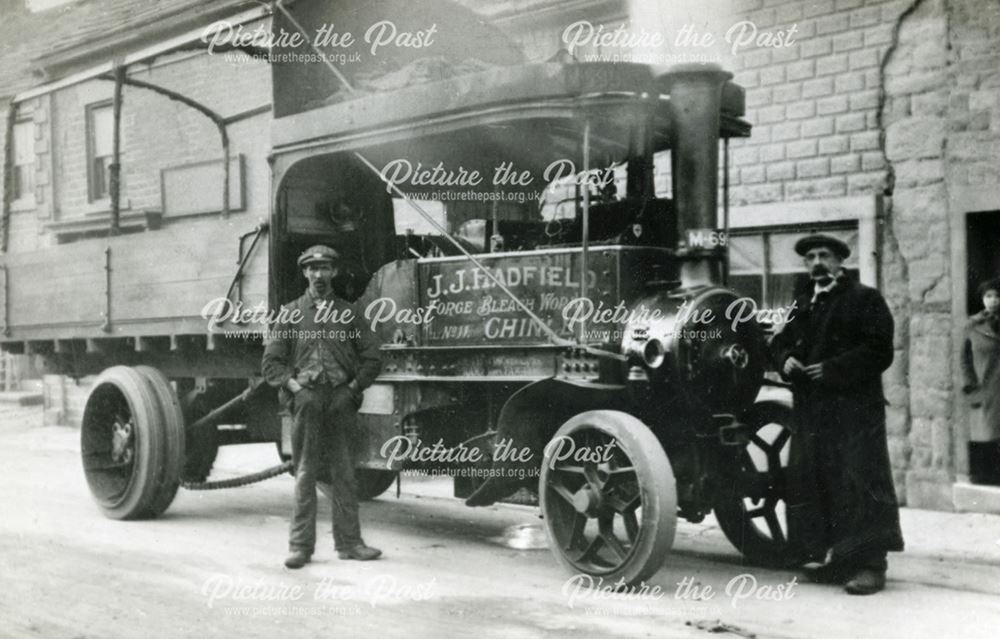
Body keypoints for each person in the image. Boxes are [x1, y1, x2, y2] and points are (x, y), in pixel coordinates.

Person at [770, 233, 904, 595]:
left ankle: (871, 566)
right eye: (810, 256)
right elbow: (779, 342)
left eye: (824, 255)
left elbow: (880, 350)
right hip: (813, 413)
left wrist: (833, 369)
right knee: (820, 482)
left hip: (855, 413)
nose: (817, 262)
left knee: (860, 483)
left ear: (840, 261)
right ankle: (837, 560)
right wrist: (786, 359)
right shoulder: (803, 304)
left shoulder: (865, 299)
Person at [262, 245, 383, 569]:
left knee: (345, 474)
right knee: (305, 474)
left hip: (340, 403)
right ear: (305, 273)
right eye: (312, 269)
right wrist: (295, 387)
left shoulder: (349, 312)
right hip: (307, 404)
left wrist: (353, 388)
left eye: (325, 268)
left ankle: (350, 544)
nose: (319, 274)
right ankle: (300, 547)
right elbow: (271, 364)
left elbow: (372, 357)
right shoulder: (290, 313)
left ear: (334, 272)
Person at [961, 278, 1000, 485]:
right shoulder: (972, 325)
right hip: (984, 386)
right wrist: (971, 384)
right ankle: (986, 476)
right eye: (988, 296)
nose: (993, 301)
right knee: (985, 433)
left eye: (997, 296)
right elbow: (964, 359)